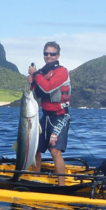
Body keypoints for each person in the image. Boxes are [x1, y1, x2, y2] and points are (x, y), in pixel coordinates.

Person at [27, 41, 70, 186]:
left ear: (58, 55)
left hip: (60, 116)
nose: (49, 56)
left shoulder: (62, 72)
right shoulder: (43, 73)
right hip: (45, 116)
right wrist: (32, 82)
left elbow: (48, 87)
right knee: (35, 149)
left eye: (52, 54)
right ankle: (36, 179)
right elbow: (38, 93)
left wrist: (36, 74)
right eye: (46, 54)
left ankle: (62, 185)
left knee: (54, 151)